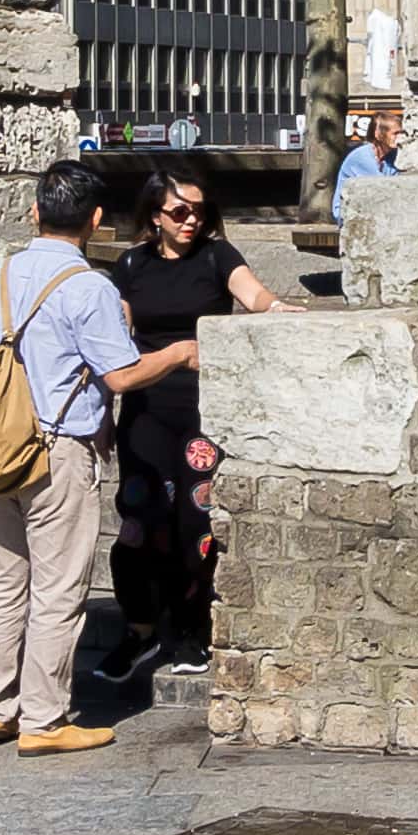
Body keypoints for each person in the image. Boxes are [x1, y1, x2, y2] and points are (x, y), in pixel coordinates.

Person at [0, 160, 189, 756]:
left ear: (35, 213)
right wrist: (178, 354)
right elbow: (121, 375)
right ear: (94, 220)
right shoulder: (89, 287)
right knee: (59, 588)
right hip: (59, 448)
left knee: (2, 582)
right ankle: (44, 719)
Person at [95, 169, 300, 685]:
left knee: (196, 521)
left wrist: (277, 309)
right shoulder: (131, 264)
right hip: (146, 408)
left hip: (204, 412)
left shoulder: (217, 256)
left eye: (200, 211)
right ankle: (139, 627)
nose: (191, 221)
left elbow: (253, 295)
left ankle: (189, 624)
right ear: (155, 216)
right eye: (179, 212)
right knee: (141, 520)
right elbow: (119, 333)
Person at [330, 116, 399, 224]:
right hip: (348, 214)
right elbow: (385, 188)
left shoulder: (391, 157)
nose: (400, 138)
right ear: (378, 135)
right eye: (395, 133)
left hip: (373, 210)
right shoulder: (361, 157)